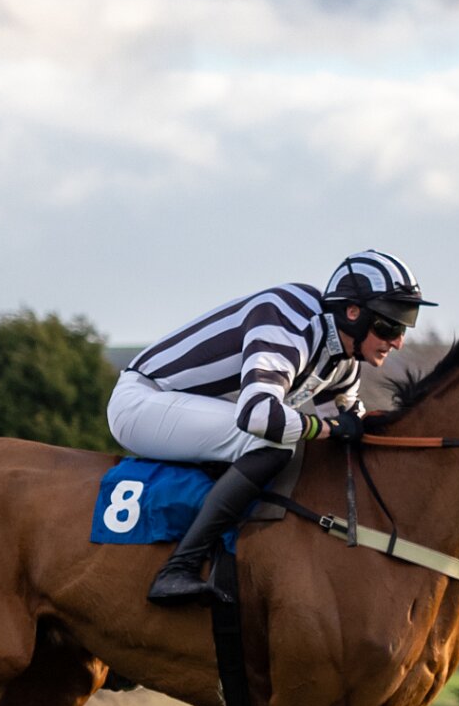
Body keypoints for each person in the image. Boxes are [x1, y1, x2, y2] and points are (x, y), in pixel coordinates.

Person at [108, 250, 434, 605]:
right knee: (275, 445)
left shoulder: (343, 360)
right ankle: (178, 568)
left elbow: (351, 433)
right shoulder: (289, 318)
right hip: (141, 403)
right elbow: (258, 416)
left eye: (404, 327)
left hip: (190, 410)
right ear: (353, 313)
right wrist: (328, 428)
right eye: (389, 326)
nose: (398, 341)